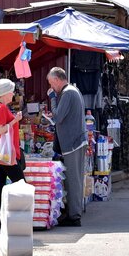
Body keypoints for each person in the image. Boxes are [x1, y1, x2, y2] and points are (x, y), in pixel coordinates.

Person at [46, 67, 87, 227]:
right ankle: (72, 213)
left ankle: (74, 216)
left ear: (57, 79)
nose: (51, 86)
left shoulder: (68, 93)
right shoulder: (70, 91)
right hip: (73, 142)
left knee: (73, 180)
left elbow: (57, 116)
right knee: (72, 179)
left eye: (51, 83)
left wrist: (52, 98)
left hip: (73, 143)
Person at [0, 79, 24, 235]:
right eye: (12, 91)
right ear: (5, 93)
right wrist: (15, 120)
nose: (13, 94)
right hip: (4, 155)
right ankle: (20, 223)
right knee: (22, 185)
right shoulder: (1, 108)